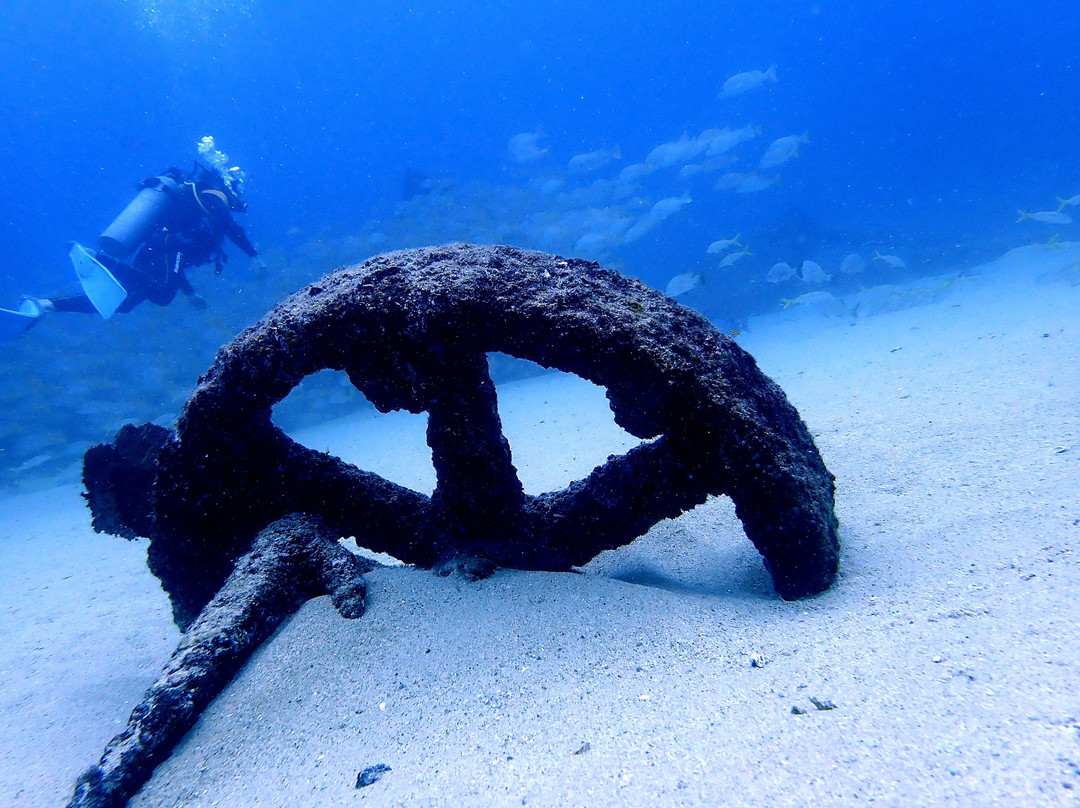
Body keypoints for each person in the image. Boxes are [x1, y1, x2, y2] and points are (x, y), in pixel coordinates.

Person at [2, 136, 261, 335]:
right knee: (158, 292)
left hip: (157, 249)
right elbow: (230, 229)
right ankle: (99, 259)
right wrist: (255, 257)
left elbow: (179, 259)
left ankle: (46, 305)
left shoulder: (198, 202)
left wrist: (190, 293)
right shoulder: (214, 196)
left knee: (123, 301)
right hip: (163, 249)